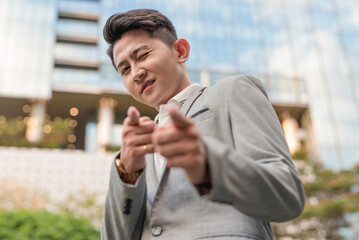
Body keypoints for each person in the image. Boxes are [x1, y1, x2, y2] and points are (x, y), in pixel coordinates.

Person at [101, 9, 305, 240]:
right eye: (125, 69)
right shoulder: (133, 154)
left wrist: (209, 167)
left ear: (180, 51)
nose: (136, 73)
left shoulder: (234, 91)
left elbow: (287, 195)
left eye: (143, 56)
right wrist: (128, 173)